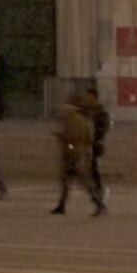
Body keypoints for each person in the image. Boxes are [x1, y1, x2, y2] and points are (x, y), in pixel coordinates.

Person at [52, 87, 106, 215]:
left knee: (82, 180)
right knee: (66, 179)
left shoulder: (75, 118)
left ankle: (99, 204)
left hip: (76, 153)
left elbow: (74, 136)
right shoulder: (79, 117)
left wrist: (63, 138)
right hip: (75, 152)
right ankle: (62, 205)